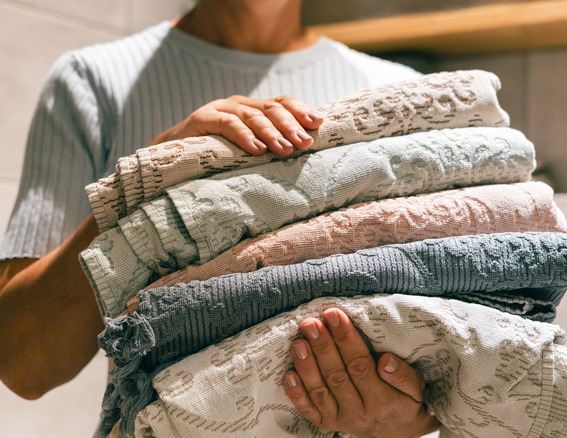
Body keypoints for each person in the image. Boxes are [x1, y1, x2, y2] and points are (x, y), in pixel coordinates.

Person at [0, 1, 440, 436]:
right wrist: (145, 180)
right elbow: (21, 363)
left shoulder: (404, 94)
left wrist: (407, 419)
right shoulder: (93, 81)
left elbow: (448, 387)